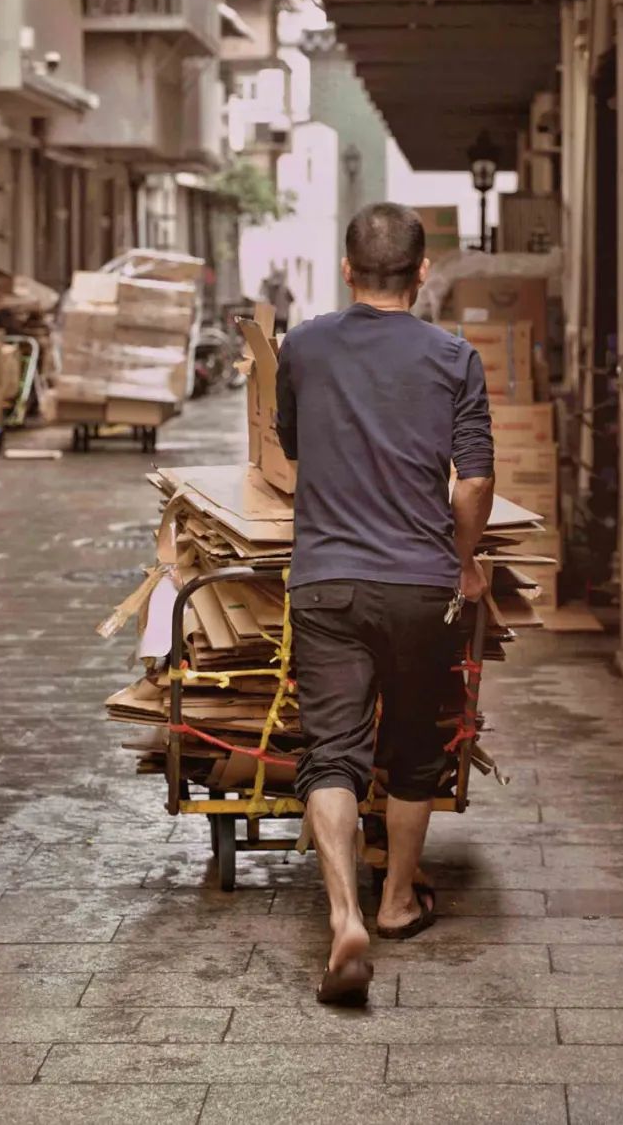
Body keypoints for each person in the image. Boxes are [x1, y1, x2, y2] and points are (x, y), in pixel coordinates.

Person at [275, 202, 495, 1006]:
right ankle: (398, 900)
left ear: (345, 269)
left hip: (325, 580)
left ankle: (344, 916)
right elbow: (472, 481)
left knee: (331, 751)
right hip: (418, 583)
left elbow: (292, 445)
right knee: (411, 747)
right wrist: (463, 563)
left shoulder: (302, 346)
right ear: (424, 273)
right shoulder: (454, 357)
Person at [261, 265, 295, 335]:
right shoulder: (280, 290)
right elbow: (292, 300)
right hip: (279, 316)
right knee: (279, 334)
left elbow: (292, 299)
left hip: (279, 316)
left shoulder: (280, 290)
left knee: (277, 334)